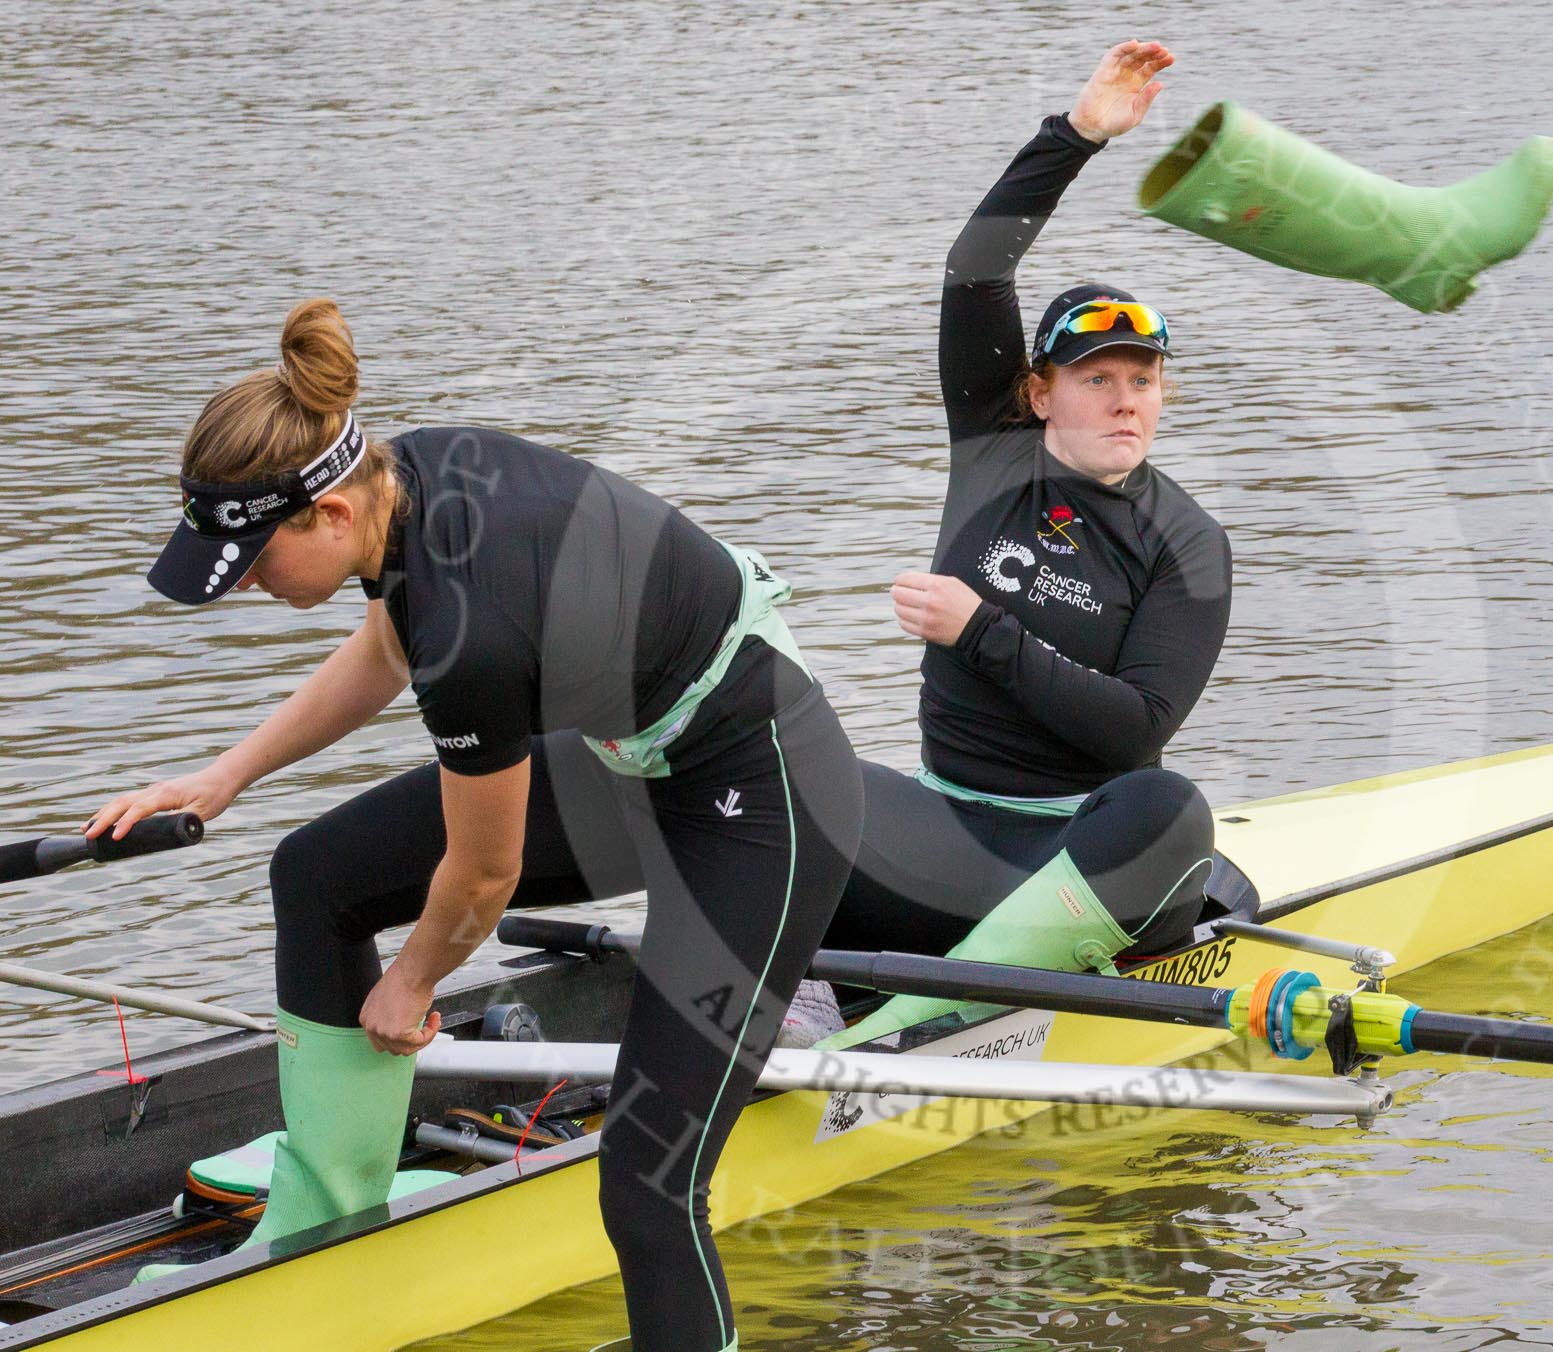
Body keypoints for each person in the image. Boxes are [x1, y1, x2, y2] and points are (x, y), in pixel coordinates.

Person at [87, 299, 861, 1352]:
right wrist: (222, 776)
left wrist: (408, 982)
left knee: (647, 1174)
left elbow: (484, 873)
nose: (250, 588)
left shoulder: (469, 628)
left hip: (766, 790)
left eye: (255, 563)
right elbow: (381, 649)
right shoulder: (404, 479)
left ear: (329, 517)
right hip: (636, 753)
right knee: (316, 873)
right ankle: (329, 1220)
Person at [819, 41, 1232, 1044]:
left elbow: (1134, 731)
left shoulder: (1188, 542)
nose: (1126, 399)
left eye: (1143, 379)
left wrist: (978, 629)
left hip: (1082, 859)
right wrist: (1079, 133)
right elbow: (975, 267)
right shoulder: (995, 454)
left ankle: (904, 1026)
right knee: (781, 761)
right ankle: (798, 1000)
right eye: (1098, 377)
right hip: (950, 840)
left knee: (1169, 805)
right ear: (1041, 393)